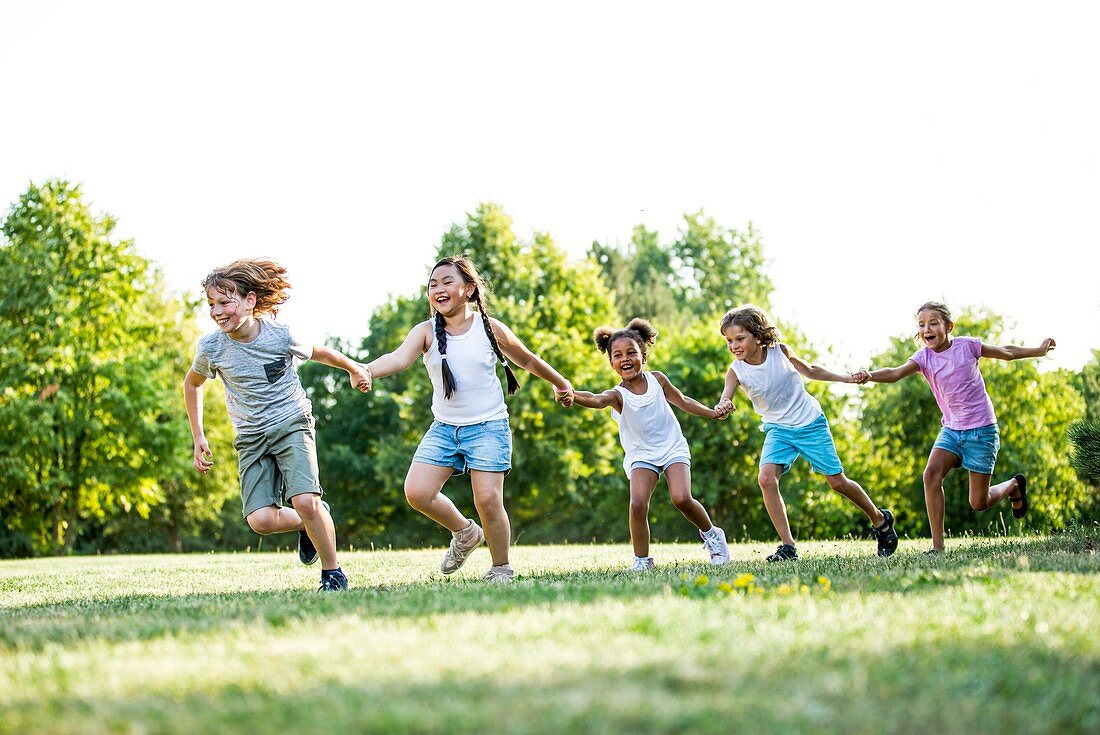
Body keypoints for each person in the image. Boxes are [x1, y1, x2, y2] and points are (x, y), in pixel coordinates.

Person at [362, 256, 573, 583]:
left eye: (447, 281)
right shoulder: (425, 332)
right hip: (445, 429)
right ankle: (464, 532)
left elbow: (528, 359)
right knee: (417, 492)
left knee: (488, 498)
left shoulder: (489, 328)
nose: (438, 288)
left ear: (469, 289)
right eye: (433, 284)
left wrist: (561, 383)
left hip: (488, 427)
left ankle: (501, 567)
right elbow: (397, 358)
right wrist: (368, 370)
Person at [183, 258, 370, 591]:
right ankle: (307, 524)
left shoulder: (280, 335)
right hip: (251, 434)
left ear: (250, 300)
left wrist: (353, 368)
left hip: (291, 421)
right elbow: (192, 384)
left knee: (305, 500)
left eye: (225, 302)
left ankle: (333, 573)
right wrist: (198, 436)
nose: (217, 311)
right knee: (261, 520)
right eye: (212, 304)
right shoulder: (212, 347)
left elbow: (321, 352)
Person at [853, 301, 1055, 553]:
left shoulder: (967, 346)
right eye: (922, 325)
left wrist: (1038, 350)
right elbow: (895, 373)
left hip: (982, 430)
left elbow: (1007, 352)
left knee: (978, 502)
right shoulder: (923, 358)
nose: (927, 329)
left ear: (948, 327)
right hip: (951, 430)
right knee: (930, 475)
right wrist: (870, 375)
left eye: (933, 323)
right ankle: (938, 547)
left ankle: (1014, 485)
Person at [716, 305, 899, 561]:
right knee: (766, 479)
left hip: (809, 423)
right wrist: (724, 404)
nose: (734, 345)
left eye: (739, 338)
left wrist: (846, 378)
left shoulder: (779, 351)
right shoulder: (736, 371)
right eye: (729, 341)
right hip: (778, 429)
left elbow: (811, 371)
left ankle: (880, 520)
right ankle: (788, 546)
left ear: (757, 336)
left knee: (838, 483)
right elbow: (726, 396)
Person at [559, 318, 732, 571]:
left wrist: (713, 413)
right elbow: (596, 399)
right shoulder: (618, 394)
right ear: (611, 363)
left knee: (682, 498)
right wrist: (573, 395)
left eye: (631, 352)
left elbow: (683, 401)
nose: (625, 358)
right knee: (637, 504)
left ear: (644, 356)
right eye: (617, 355)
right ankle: (642, 560)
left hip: (672, 447)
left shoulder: (658, 380)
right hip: (642, 454)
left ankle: (713, 535)